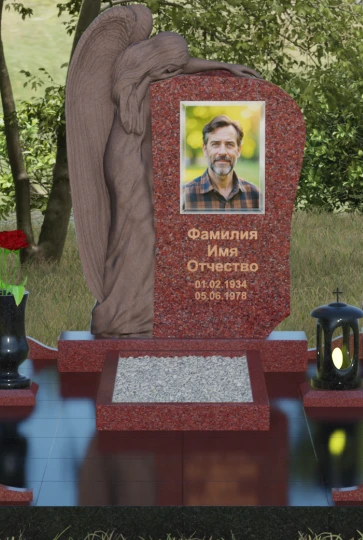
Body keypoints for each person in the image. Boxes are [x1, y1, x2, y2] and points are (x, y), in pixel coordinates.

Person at [66, 5, 261, 337]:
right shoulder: (130, 89)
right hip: (126, 162)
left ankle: (141, 309)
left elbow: (182, 64)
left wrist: (224, 66)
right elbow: (140, 139)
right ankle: (121, 314)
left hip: (133, 158)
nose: (175, 74)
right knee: (135, 232)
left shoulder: (146, 72)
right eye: (169, 69)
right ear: (154, 64)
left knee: (143, 233)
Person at [182, 115, 260, 211]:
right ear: (205, 149)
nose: (222, 152)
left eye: (229, 144)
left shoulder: (256, 196)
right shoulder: (183, 197)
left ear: (239, 150)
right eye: (215, 144)